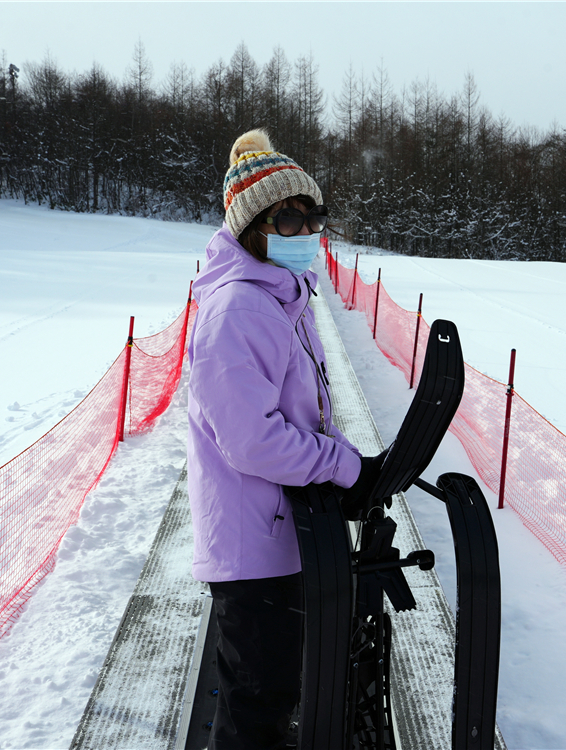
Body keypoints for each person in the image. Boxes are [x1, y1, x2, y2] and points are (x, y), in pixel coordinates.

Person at [186, 129, 385, 750]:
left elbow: (302, 411)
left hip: (283, 534)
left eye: (314, 217)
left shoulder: (282, 298)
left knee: (274, 694)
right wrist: (342, 466)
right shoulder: (239, 311)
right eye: (291, 219)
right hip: (254, 548)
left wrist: (336, 469)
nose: (307, 233)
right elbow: (253, 441)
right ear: (252, 228)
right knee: (256, 710)